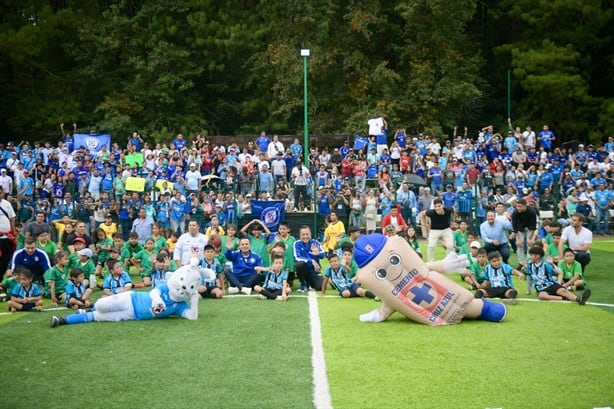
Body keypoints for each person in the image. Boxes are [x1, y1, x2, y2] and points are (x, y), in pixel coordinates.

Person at [51, 259, 202, 327]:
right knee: (101, 306)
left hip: (131, 315)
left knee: (97, 317)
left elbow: (192, 317)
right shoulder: (165, 287)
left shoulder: (180, 305)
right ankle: (88, 308)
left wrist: (194, 301)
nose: (182, 288)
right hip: (130, 298)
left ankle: (63, 320)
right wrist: (157, 300)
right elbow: (154, 292)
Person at [526, 246, 591, 304]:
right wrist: (529, 290)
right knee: (542, 296)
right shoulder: (529, 265)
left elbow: (559, 272)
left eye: (531, 255)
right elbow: (529, 277)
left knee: (562, 290)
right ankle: (563, 298)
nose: (530, 256)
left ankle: (578, 299)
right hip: (540, 288)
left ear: (537, 256)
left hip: (551, 284)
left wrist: (553, 265)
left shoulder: (546, 264)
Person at [420, 198, 454, 262]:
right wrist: (424, 224)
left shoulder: (448, 210)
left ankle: (447, 261)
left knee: (450, 245)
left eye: (439, 206)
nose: (437, 208)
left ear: (442, 206)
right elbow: (422, 213)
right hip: (434, 230)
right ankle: (431, 262)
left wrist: (452, 220)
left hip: (446, 229)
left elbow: (453, 210)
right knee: (431, 246)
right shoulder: (431, 212)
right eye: (435, 206)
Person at [293, 225, 325, 292]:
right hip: (304, 271)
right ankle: (303, 283)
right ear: (300, 235)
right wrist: (311, 260)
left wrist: (318, 253)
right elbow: (297, 257)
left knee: (320, 286)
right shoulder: (297, 243)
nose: (305, 236)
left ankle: (309, 282)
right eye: (303, 234)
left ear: (310, 234)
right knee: (299, 264)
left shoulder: (316, 243)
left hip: (314, 271)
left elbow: (323, 255)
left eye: (307, 234)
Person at [511, 199, 538, 269]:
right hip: (520, 227)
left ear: (525, 206)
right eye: (517, 206)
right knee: (519, 245)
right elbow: (515, 227)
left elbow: (533, 226)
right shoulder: (514, 213)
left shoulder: (532, 212)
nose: (518, 208)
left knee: (530, 244)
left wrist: (530, 239)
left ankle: (530, 262)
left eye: (520, 206)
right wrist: (518, 239)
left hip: (530, 228)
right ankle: (521, 263)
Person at [0, 185, 17, 276]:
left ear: (2, 193)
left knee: (6, 259)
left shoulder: (6, 204)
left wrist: (13, 231)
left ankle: (1, 280)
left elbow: (12, 218)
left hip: (6, 237)